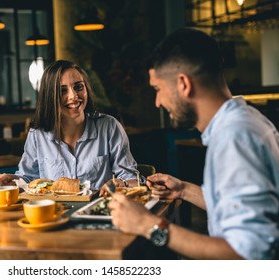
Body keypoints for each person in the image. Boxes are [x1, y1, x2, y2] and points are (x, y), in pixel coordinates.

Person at [109, 28, 279, 259]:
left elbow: (248, 254)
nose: (158, 102)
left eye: (158, 90)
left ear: (183, 84)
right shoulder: (244, 122)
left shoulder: (234, 137)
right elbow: (239, 207)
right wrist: (184, 190)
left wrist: (147, 224)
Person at [0, 60, 138, 191]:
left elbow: (132, 179)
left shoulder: (109, 127)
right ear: (50, 96)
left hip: (97, 212)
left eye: (78, 87)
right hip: (53, 215)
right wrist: (13, 182)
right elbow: (29, 179)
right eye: (62, 90)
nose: (74, 96)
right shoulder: (37, 134)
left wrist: (121, 183)